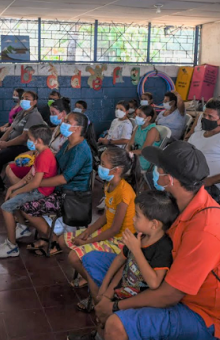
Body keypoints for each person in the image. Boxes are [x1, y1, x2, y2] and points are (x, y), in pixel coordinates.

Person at [95, 141, 220, 340]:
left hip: (197, 311)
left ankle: (110, 326)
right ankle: (101, 327)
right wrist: (106, 296)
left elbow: (170, 295)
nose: (154, 172)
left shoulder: (205, 229)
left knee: (117, 324)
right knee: (94, 262)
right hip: (162, 279)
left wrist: (114, 306)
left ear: (169, 179)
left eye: (158, 169)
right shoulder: (176, 204)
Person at [67, 191, 178, 340]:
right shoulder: (138, 235)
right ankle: (98, 335)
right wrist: (105, 292)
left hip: (137, 303)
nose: (133, 218)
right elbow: (119, 261)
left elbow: (154, 282)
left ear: (154, 224)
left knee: (112, 322)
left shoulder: (162, 248)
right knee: (101, 313)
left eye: (137, 216)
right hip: (122, 291)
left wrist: (136, 250)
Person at [59, 147, 141, 306]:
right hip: (108, 232)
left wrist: (87, 242)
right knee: (63, 241)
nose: (99, 167)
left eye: (103, 164)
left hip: (120, 241)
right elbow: (105, 217)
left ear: (116, 170)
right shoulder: (109, 184)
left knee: (73, 257)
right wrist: (88, 231)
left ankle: (97, 289)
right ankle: (90, 277)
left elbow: (116, 229)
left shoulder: (124, 193)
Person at [17, 112, 94, 256]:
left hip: (71, 195)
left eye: (67, 121)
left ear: (77, 128)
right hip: (59, 190)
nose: (62, 123)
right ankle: (47, 235)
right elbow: (55, 160)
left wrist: (39, 182)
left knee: (25, 205)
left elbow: (65, 178)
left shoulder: (81, 149)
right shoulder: (68, 143)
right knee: (23, 197)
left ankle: (54, 239)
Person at [0, 125, 57, 258]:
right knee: (11, 197)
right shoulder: (39, 153)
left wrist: (18, 192)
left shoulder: (45, 156)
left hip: (40, 192)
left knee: (6, 207)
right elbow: (29, 176)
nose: (28, 141)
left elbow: (35, 183)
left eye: (30, 138)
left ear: (38, 140)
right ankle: (22, 227)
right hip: (35, 188)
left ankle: (11, 246)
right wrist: (13, 188)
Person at [0, 91, 45, 195]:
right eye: (23, 98)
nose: (24, 100)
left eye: (27, 98)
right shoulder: (22, 113)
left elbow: (23, 137)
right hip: (12, 144)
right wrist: (0, 142)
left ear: (34, 102)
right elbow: (10, 129)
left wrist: (6, 145)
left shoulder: (34, 116)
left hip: (23, 147)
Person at [5, 98, 70, 185]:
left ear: (64, 113)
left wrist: (39, 155)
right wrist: (33, 152)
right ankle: (22, 189)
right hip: (43, 158)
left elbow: (60, 154)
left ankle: (23, 190)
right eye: (51, 113)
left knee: (10, 169)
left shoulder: (67, 133)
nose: (51, 116)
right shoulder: (58, 128)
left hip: (49, 164)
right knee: (12, 165)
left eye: (54, 113)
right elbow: (48, 146)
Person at [127, 105, 161, 171]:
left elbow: (144, 151)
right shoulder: (138, 127)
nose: (136, 117)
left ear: (148, 118)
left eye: (140, 115)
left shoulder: (152, 130)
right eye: (136, 114)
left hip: (145, 160)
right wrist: (128, 151)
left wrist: (129, 154)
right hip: (135, 155)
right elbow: (130, 143)